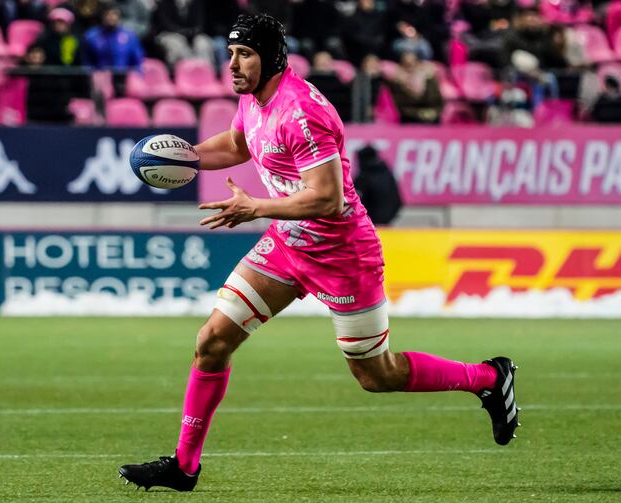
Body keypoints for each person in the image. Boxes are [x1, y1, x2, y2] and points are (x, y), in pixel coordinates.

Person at [119, 13, 520, 493]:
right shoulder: (253, 99)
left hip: (343, 254)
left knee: (376, 375)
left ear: (271, 57)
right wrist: (186, 156)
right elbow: (237, 144)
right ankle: (184, 467)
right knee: (212, 341)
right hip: (287, 246)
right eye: (230, 54)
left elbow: (328, 199)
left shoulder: (302, 110)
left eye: (244, 54)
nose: (232, 65)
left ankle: (487, 377)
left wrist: (255, 207)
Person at [81, 3, 143, 71]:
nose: (111, 17)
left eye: (114, 14)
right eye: (107, 14)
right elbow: (86, 63)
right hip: (99, 74)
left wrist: (134, 75)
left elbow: (137, 63)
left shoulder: (130, 36)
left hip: (123, 75)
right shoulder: (91, 36)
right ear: (102, 16)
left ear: (119, 16)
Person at [353, 145, 403, 225]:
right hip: (387, 222)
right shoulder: (387, 174)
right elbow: (398, 201)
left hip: (368, 224)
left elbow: (354, 202)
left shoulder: (363, 178)